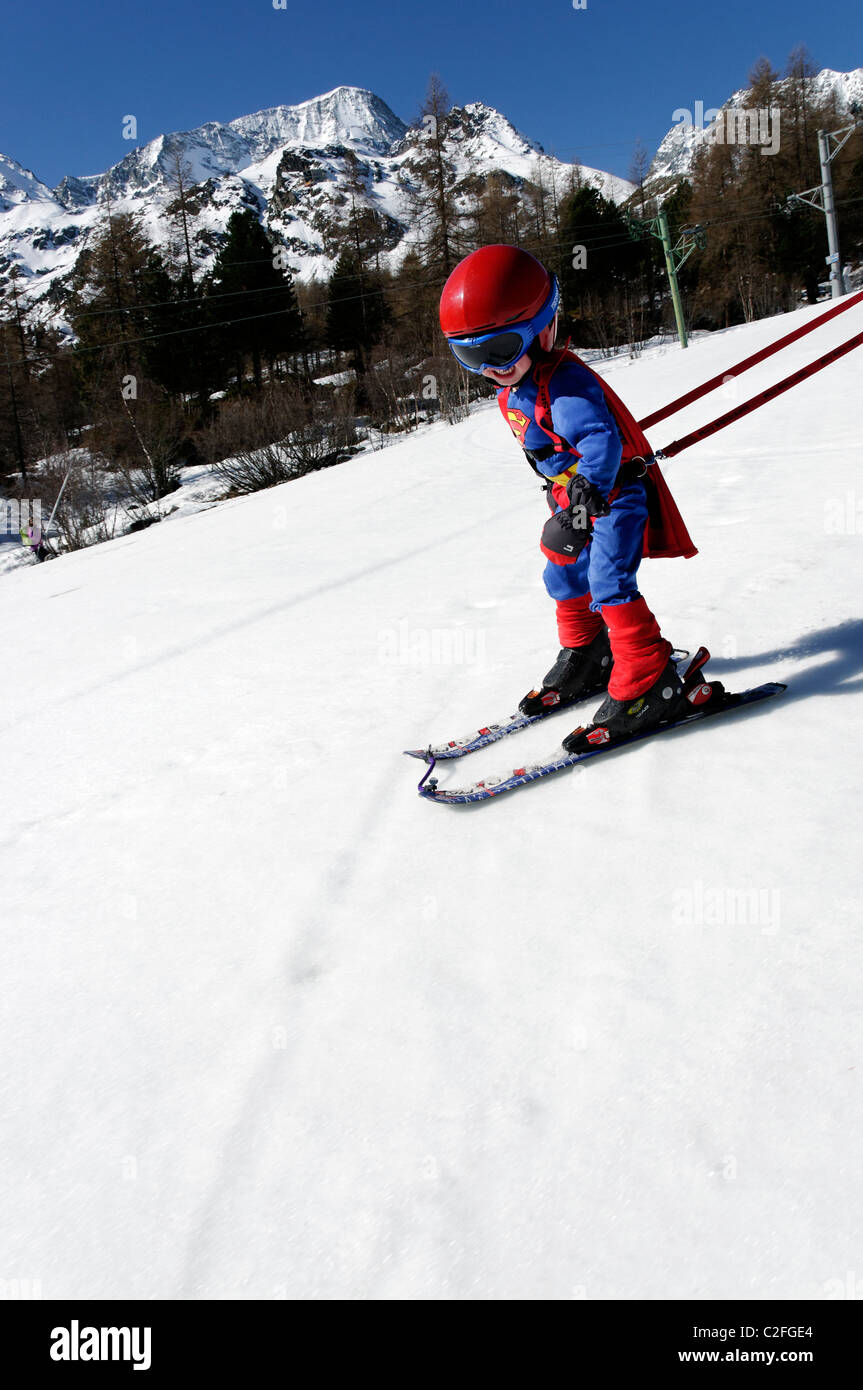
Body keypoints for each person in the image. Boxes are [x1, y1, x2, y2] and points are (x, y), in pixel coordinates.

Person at [438, 243, 699, 746]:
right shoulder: (515, 385)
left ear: (543, 327)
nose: (491, 366)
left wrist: (582, 502)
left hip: (612, 498)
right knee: (561, 569)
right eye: (471, 355)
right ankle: (589, 652)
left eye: (501, 348)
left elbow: (600, 443)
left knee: (607, 580)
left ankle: (650, 678)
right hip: (573, 498)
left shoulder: (564, 384)